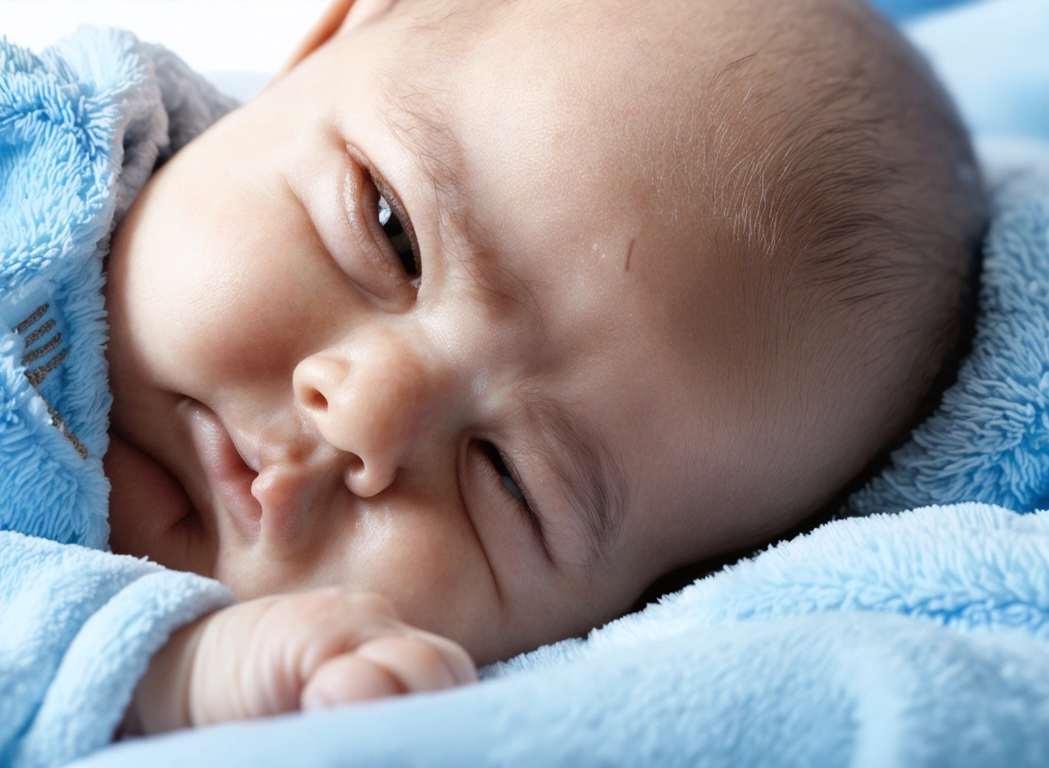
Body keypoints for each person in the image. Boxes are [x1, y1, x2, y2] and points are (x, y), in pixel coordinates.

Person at [101, 0, 986, 734]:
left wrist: (167, 676)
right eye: (391, 233)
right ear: (328, 41)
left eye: (512, 482)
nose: (366, 416)